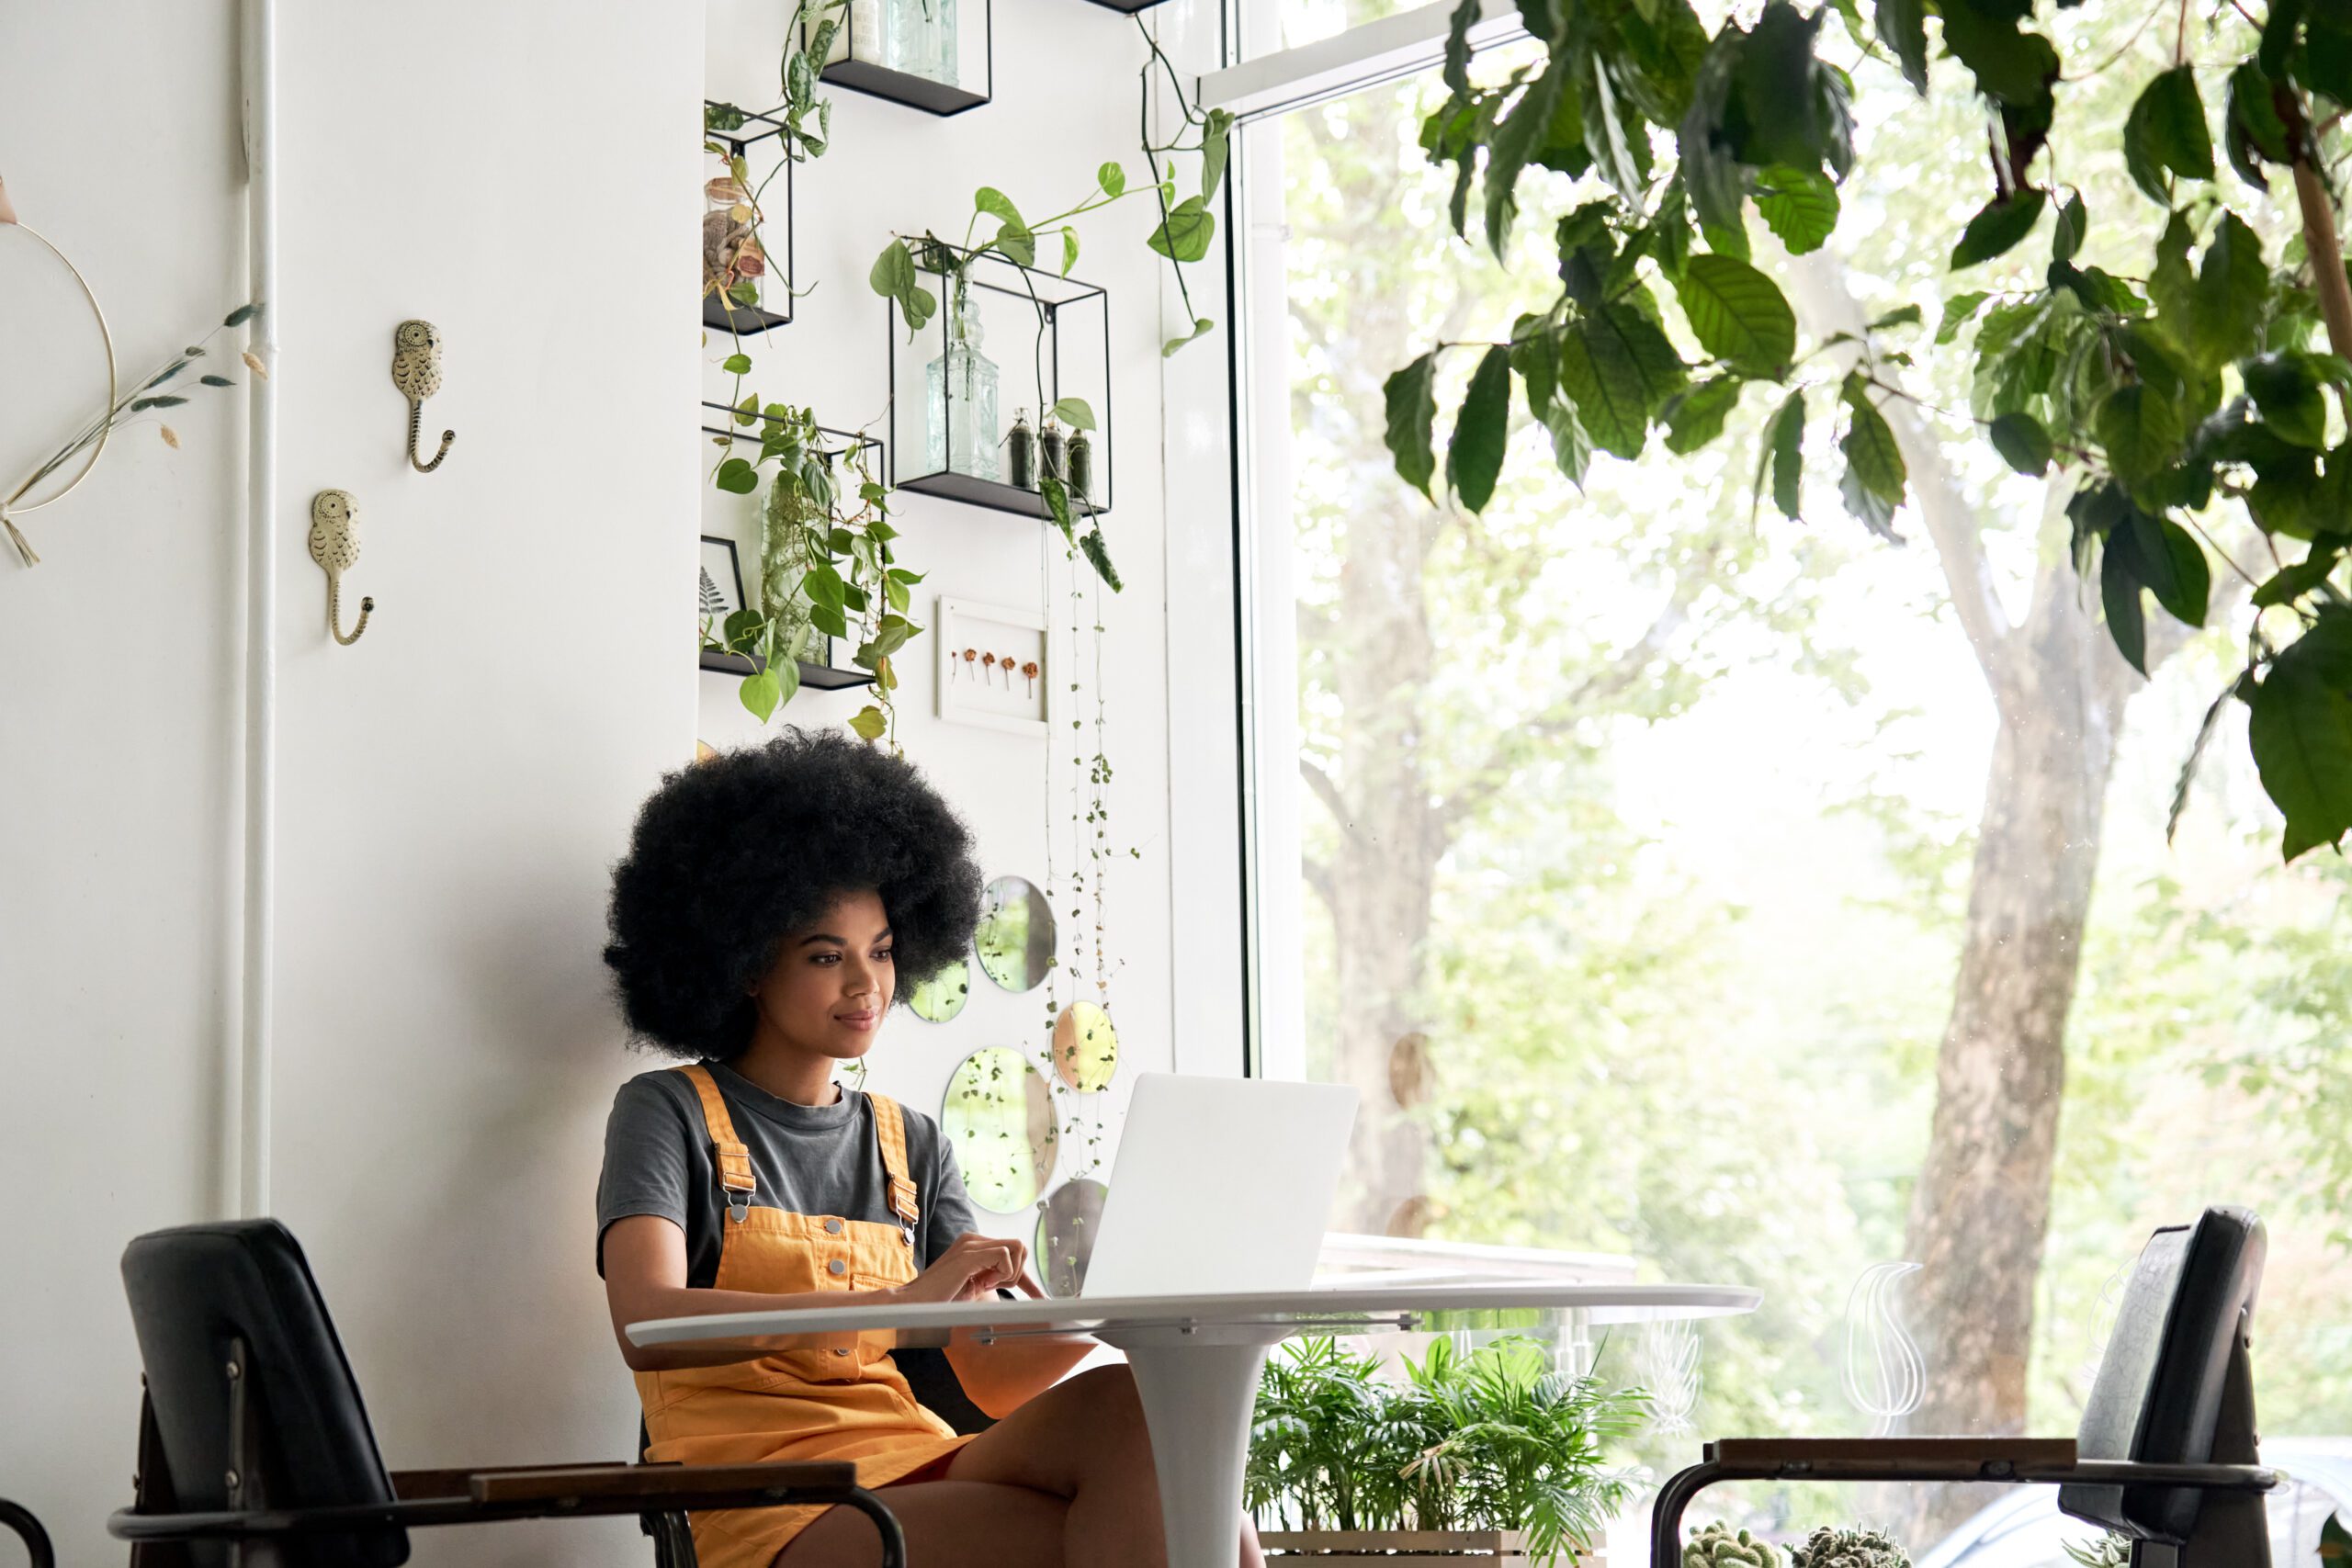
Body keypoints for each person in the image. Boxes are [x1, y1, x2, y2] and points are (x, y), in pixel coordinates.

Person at [597, 729, 1263, 1568]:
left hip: (911, 1454)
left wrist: (1104, 1309)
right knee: (1181, 1526)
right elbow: (646, 1322)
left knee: (1151, 1419)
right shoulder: (667, 1110)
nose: (866, 984)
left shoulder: (908, 1140)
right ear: (746, 965)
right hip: (767, 1501)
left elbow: (987, 1378)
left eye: (880, 951)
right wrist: (901, 1303)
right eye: (825, 955)